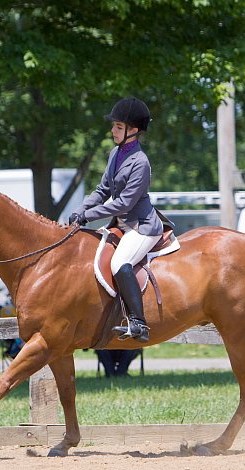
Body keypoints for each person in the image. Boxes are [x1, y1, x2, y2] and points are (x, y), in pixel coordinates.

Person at [69, 97, 163, 343]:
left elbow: (124, 204)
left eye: (118, 127)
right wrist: (80, 209)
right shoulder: (115, 153)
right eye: (114, 126)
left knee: (120, 262)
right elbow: (102, 190)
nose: (112, 130)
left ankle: (139, 323)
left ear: (133, 131)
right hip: (120, 225)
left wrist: (87, 216)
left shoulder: (140, 162)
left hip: (142, 226)